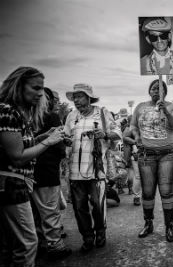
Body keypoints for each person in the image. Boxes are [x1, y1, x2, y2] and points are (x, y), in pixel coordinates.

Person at [0, 66, 65, 267]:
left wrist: (41, 137)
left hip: (15, 182)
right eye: (35, 88)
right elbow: (17, 157)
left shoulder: (18, 112)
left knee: (10, 244)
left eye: (42, 89)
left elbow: (19, 145)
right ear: (19, 86)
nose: (40, 94)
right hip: (11, 183)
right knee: (27, 243)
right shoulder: (8, 111)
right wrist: (49, 141)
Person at [64, 83, 122, 252]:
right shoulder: (71, 116)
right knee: (79, 207)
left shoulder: (102, 113)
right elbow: (66, 137)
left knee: (98, 204)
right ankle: (87, 237)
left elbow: (117, 132)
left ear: (89, 98)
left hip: (97, 169)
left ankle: (101, 233)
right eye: (74, 98)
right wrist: (66, 140)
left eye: (80, 97)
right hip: (75, 171)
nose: (76, 101)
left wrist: (104, 134)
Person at [130, 80, 173, 242]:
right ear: (149, 91)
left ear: (164, 92)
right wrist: (137, 137)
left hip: (167, 154)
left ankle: (169, 226)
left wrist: (166, 112)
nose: (155, 91)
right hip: (146, 155)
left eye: (159, 89)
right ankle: (148, 223)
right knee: (147, 192)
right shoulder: (140, 107)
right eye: (153, 88)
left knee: (166, 191)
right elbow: (133, 126)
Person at [31, 87, 72, 259]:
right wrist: (63, 152)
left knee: (35, 211)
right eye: (53, 99)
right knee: (49, 210)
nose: (56, 102)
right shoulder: (51, 116)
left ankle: (40, 243)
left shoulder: (29, 117)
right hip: (47, 169)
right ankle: (55, 245)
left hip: (29, 169)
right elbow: (59, 144)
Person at [123, 126, 142, 205]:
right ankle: (136, 196)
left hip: (150, 154)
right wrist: (135, 142)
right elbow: (125, 138)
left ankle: (147, 196)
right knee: (138, 176)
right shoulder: (131, 126)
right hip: (136, 154)